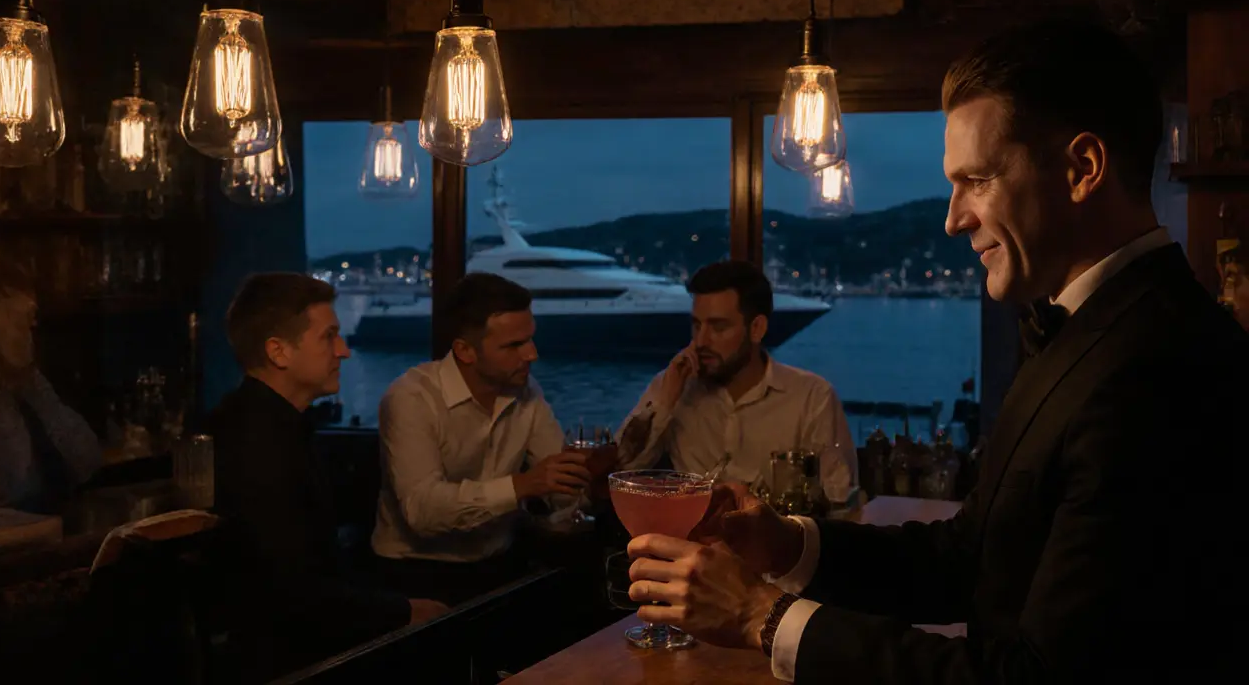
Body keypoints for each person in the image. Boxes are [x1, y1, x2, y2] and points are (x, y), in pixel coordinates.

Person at [624, 17, 1245, 682]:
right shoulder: (1082, 333)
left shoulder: (1160, 367)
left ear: (1081, 169)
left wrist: (763, 617)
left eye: (975, 180)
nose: (952, 219)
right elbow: (968, 556)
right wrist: (786, 543)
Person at [209, 273, 443, 672]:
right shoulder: (256, 441)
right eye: (329, 336)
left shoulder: (277, 424)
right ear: (278, 352)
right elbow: (291, 593)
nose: (344, 351)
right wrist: (403, 611)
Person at [370, 273, 596, 604]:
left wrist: (584, 486)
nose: (532, 354)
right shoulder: (411, 397)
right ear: (465, 351)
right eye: (514, 345)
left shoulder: (527, 392)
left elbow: (562, 490)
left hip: (499, 565)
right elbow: (422, 511)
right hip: (414, 573)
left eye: (530, 339)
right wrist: (523, 485)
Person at [618, 260, 857, 503]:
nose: (701, 341)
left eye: (718, 327)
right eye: (697, 325)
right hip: (688, 535)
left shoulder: (811, 397)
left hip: (774, 537)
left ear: (756, 328)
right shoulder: (674, 386)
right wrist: (664, 401)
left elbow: (838, 496)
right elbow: (621, 468)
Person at [0, 247, 102, 513]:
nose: (31, 335)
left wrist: (32, 383)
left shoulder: (22, 386)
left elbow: (87, 459)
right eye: (23, 323)